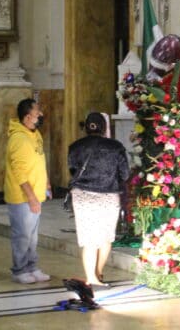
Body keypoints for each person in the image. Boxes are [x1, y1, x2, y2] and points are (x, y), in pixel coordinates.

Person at [67, 112, 130, 287]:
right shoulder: (115, 146)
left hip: (82, 196)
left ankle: (91, 278)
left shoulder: (75, 146)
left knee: (89, 239)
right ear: (104, 127)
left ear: (86, 127)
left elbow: (72, 170)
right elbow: (125, 174)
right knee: (105, 238)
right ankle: (97, 273)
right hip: (108, 196)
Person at [4, 98, 51, 284]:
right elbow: (19, 172)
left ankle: (32, 266)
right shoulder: (19, 138)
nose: (40, 114)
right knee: (22, 235)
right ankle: (19, 270)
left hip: (35, 193)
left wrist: (46, 183)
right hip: (22, 197)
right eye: (37, 111)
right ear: (27, 116)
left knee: (32, 236)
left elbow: (40, 159)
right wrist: (31, 197)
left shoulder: (34, 133)